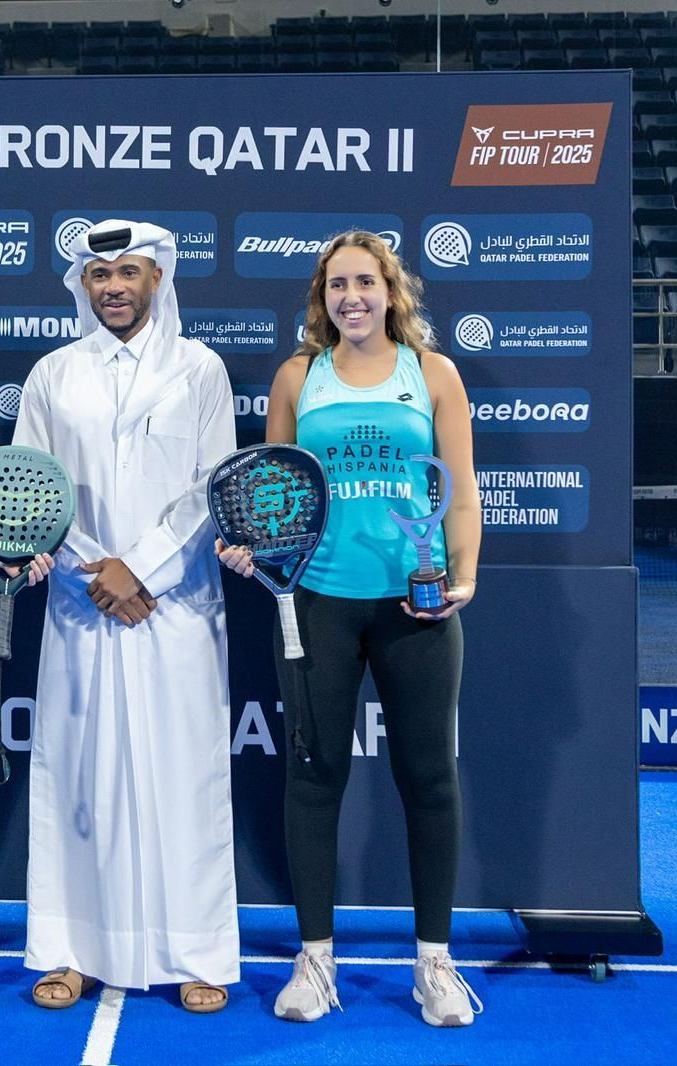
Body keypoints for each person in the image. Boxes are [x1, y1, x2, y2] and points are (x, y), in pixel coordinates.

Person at [217, 231, 483, 1027]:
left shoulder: (432, 373)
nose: (352, 297)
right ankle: (315, 961)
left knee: (429, 779)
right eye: (337, 285)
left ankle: (434, 964)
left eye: (365, 282)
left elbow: (463, 489)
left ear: (390, 291)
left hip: (416, 606)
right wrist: (252, 547)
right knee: (313, 777)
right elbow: (274, 493)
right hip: (316, 604)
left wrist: (464, 578)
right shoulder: (298, 377)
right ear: (321, 297)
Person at [10, 219, 240, 1013]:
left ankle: (196, 953)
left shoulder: (200, 369)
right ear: (82, 285)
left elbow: (214, 489)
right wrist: (97, 572)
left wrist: (139, 569)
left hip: (176, 608)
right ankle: (70, 951)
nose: (113, 287)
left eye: (128, 272)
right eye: (99, 274)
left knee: (185, 777)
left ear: (158, 278)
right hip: (81, 607)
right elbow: (30, 489)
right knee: (81, 778)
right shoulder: (52, 375)